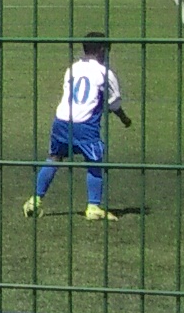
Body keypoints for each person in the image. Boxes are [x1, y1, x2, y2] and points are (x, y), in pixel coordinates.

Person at [25, 36, 131, 220]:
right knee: (95, 162)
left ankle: (34, 201)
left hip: (61, 121)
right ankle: (93, 207)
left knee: (54, 158)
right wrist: (125, 119)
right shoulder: (105, 73)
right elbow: (114, 104)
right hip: (85, 124)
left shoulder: (72, 69)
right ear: (102, 50)